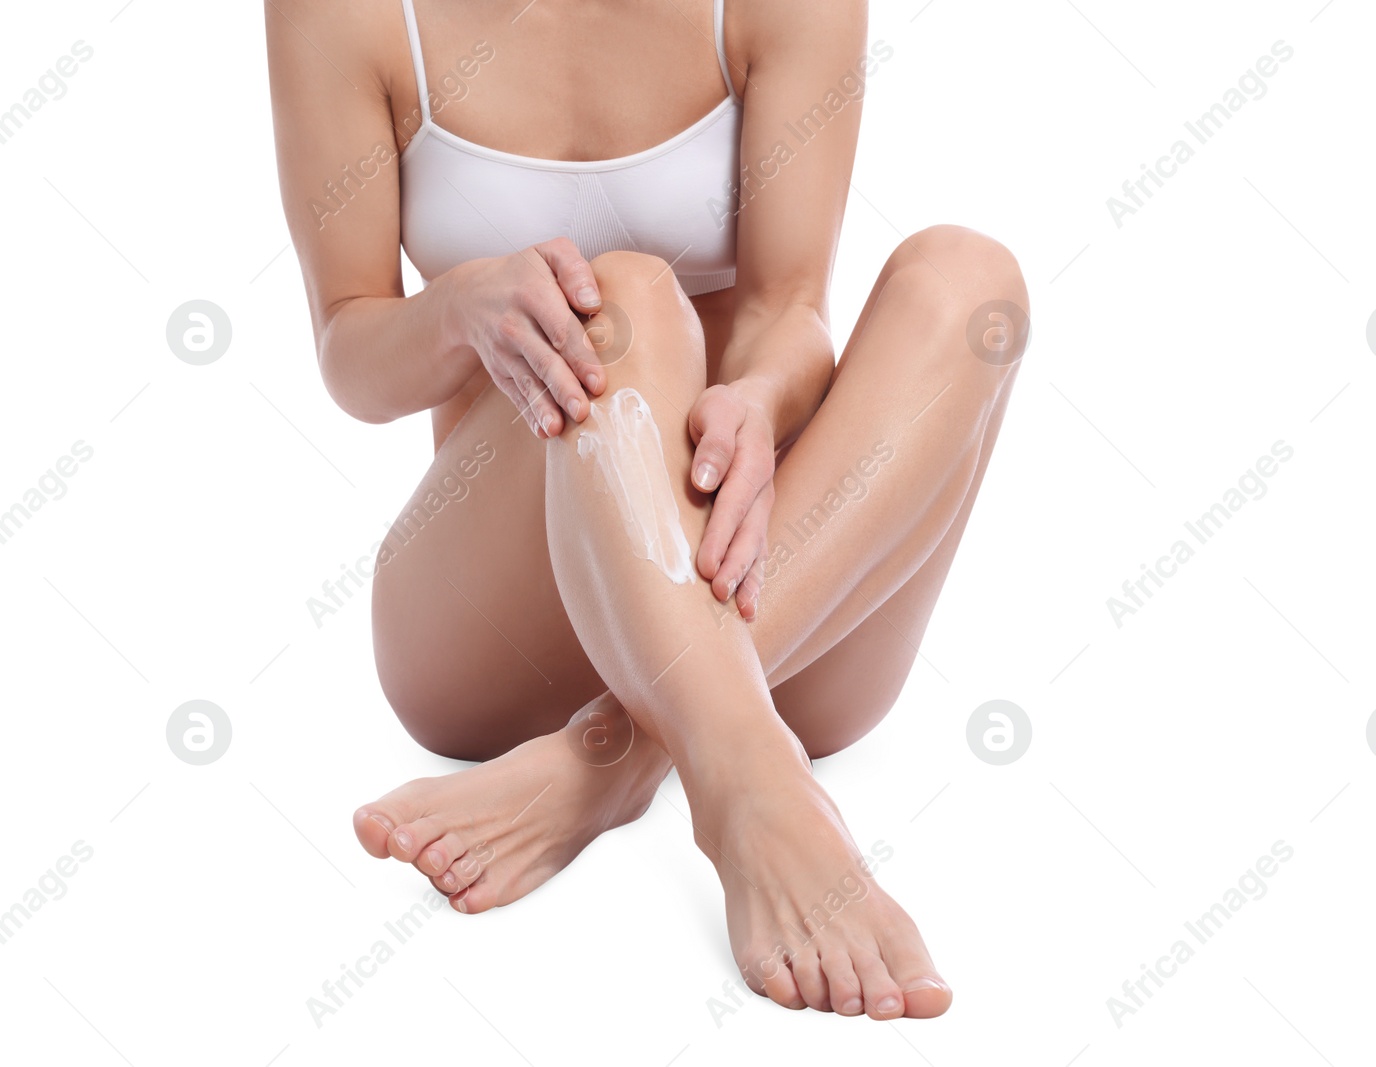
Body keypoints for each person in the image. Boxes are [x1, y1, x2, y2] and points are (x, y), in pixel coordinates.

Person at [266, 0, 1028, 1020]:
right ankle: (757, 782)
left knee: (971, 281)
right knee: (616, 301)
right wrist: (458, 309)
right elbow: (348, 349)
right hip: (496, 641)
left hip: (764, 595)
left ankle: (618, 755)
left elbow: (786, 310)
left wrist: (756, 402)